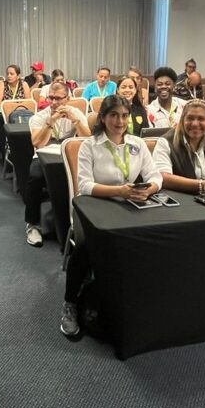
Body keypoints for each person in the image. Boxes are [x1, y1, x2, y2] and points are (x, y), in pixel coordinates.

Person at [61, 95, 162, 338]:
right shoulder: (90, 145)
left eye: (125, 116)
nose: (120, 121)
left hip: (130, 203)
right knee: (86, 247)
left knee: (153, 235)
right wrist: (119, 191)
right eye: (114, 115)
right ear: (103, 118)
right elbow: (84, 186)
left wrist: (149, 189)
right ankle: (70, 303)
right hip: (96, 206)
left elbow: (156, 175)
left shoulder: (137, 144)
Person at [23, 81, 91, 246]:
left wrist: (76, 121)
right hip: (44, 156)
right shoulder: (39, 117)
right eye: (51, 98)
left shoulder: (76, 113)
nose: (54, 102)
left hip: (69, 155)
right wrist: (50, 122)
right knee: (35, 177)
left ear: (67, 99)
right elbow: (38, 143)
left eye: (58, 98)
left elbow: (88, 140)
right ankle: (33, 225)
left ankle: (81, 221)